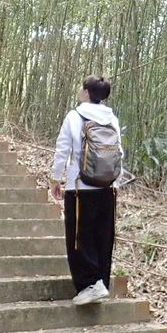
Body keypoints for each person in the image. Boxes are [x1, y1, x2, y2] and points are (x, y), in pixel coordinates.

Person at [50, 74, 121, 306]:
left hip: (80, 186)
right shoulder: (112, 119)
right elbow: (118, 152)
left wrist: (55, 178)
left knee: (80, 237)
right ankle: (101, 281)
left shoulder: (75, 116)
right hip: (107, 187)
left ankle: (90, 285)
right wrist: (116, 183)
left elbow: (63, 149)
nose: (80, 92)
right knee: (103, 236)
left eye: (83, 89)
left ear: (87, 93)